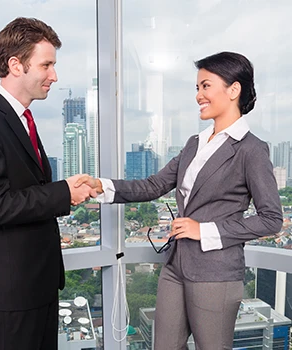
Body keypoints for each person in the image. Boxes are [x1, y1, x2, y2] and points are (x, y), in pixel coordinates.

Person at [75, 52, 283, 349]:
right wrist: (101, 186)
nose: (198, 95)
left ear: (233, 90)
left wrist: (204, 230)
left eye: (206, 86)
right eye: (197, 88)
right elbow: (153, 185)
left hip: (216, 273)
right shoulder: (194, 144)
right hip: (175, 266)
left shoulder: (251, 149)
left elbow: (272, 218)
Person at [0, 17, 96, 350]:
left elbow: (26, 192)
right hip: (13, 293)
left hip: (40, 286)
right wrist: (63, 192)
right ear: (15, 65)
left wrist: (65, 189)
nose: (54, 75)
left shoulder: (24, 121)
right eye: (46, 64)